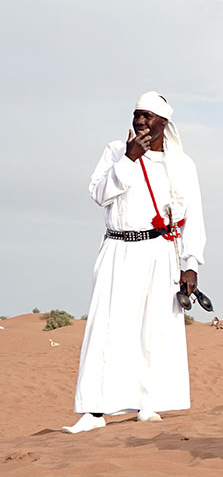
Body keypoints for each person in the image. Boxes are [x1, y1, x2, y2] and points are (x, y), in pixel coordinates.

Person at [64, 92, 207, 434]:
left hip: (160, 252)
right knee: (106, 328)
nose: (140, 121)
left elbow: (194, 216)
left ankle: (149, 404)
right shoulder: (116, 151)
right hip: (118, 249)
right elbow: (99, 194)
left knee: (155, 328)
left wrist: (191, 263)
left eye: (147, 116)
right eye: (136, 114)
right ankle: (94, 411)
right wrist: (129, 159)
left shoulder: (182, 164)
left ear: (164, 123)